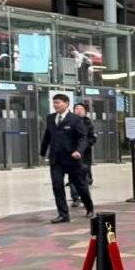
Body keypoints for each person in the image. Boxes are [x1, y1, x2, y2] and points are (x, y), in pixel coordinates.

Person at [40, 94, 95, 224]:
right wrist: (42, 152)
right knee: (57, 186)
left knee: (81, 186)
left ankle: (89, 207)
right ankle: (63, 214)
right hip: (56, 159)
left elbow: (83, 137)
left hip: (72, 159)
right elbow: (47, 136)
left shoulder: (75, 119)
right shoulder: (50, 118)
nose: (55, 105)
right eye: (54, 102)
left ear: (66, 103)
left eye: (58, 102)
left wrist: (79, 151)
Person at [68, 102, 96, 206]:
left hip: (85, 154)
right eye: (77, 108)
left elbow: (92, 138)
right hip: (72, 154)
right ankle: (75, 198)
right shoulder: (69, 122)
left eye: (81, 109)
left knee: (84, 177)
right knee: (72, 176)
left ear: (85, 111)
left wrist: (84, 147)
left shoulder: (88, 123)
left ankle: (84, 197)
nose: (79, 110)